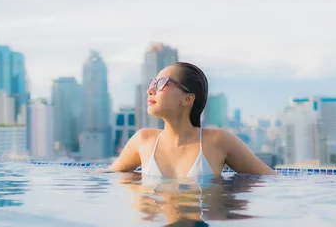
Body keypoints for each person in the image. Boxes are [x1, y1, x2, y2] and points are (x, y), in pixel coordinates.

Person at [109, 62, 276, 178]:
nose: (150, 90)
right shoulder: (143, 140)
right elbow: (109, 178)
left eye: (161, 83)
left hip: (198, 226)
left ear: (188, 99)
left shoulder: (219, 141)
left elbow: (270, 179)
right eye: (152, 82)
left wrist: (230, 201)